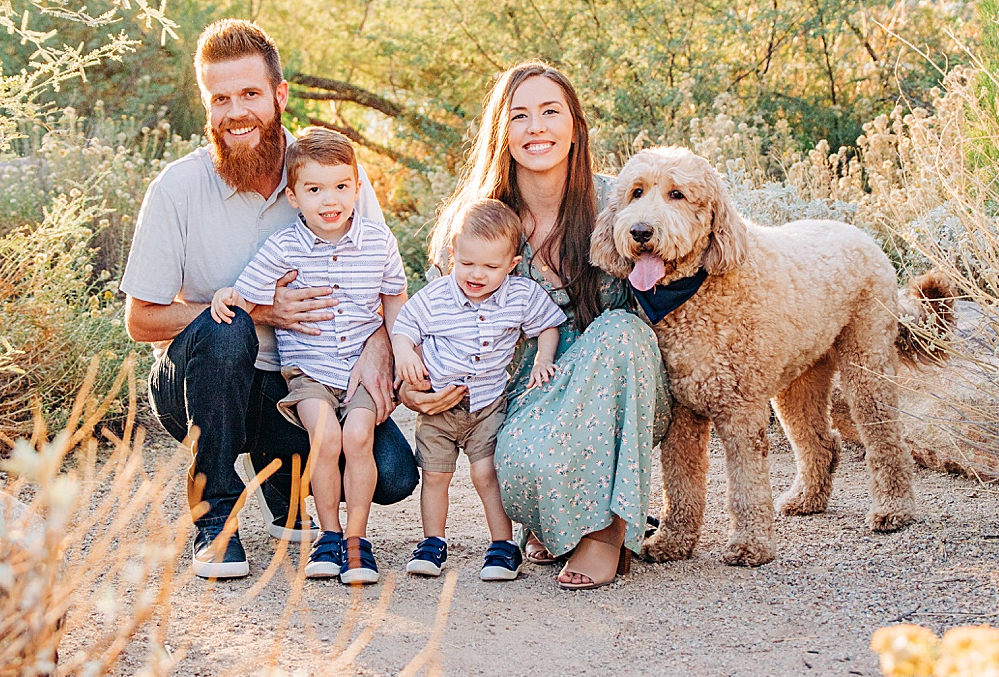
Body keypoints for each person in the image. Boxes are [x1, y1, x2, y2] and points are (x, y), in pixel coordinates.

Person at [120, 19, 418, 580]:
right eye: (220, 99)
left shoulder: (331, 176)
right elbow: (140, 319)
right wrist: (260, 311)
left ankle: (285, 474)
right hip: (203, 382)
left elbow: (382, 283)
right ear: (206, 106)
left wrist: (380, 348)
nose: (236, 113)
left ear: (279, 96)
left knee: (397, 474)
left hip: (304, 375)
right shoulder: (177, 188)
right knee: (226, 326)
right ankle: (215, 517)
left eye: (250, 94)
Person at [400, 60, 671, 590]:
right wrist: (417, 389)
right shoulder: (477, 220)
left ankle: (606, 532)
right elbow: (432, 318)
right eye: (519, 116)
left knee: (623, 329)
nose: (536, 127)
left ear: (575, 125)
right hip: (521, 397)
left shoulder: (623, 200)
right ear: (502, 130)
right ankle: (556, 517)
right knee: (520, 466)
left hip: (619, 389)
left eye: (551, 112)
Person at [211, 127, 408, 585]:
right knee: (327, 437)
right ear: (294, 196)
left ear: (358, 187)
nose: (330, 199)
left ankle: (357, 542)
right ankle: (328, 536)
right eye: (315, 189)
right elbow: (248, 294)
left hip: (358, 371)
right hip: (310, 372)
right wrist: (227, 294)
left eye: (341, 186)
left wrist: (401, 354)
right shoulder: (284, 247)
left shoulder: (379, 242)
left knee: (358, 436)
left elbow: (395, 298)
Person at [391, 198, 566, 582]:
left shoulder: (520, 295)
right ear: (453, 254)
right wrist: (404, 354)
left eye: (491, 266)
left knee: (486, 472)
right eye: (467, 263)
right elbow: (405, 327)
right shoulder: (436, 297)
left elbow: (547, 325)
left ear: (512, 265)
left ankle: (502, 546)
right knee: (435, 475)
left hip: (487, 404)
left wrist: (543, 359)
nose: (477, 274)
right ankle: (432, 542)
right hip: (438, 407)